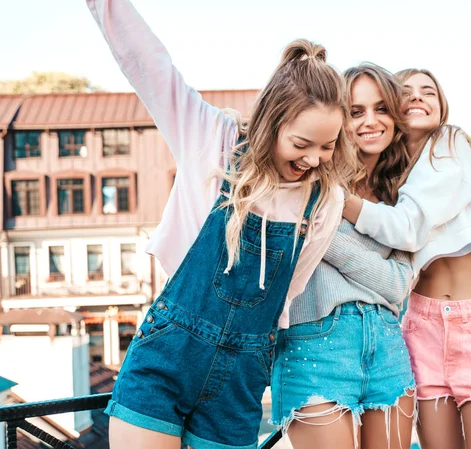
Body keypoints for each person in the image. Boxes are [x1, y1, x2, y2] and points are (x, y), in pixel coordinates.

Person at [86, 1, 357, 448]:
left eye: (327, 147)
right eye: (301, 144)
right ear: (272, 121)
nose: (314, 160)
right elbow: (147, 62)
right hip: (168, 358)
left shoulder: (323, 200)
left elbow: (288, 293)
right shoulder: (211, 140)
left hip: (241, 380)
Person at [343, 68, 471, 449]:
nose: (417, 97)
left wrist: (337, 201)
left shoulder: (451, 144)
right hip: (422, 326)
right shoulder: (391, 173)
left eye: (428, 91)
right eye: (406, 91)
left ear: (441, 105)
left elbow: (408, 227)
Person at [270, 63, 415, 449]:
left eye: (382, 108)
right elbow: (297, 238)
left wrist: (327, 232)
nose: (371, 121)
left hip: (386, 345)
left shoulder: (401, 194)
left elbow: (398, 285)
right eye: (355, 111)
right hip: (315, 341)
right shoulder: (306, 173)